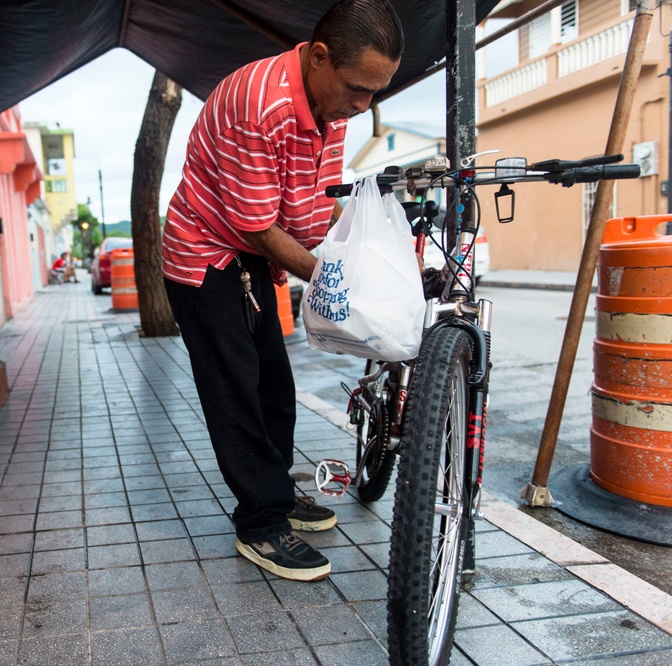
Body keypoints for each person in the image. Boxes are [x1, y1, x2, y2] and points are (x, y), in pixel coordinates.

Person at [161, 0, 403, 581]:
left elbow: (314, 205)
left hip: (253, 255)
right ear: (319, 57)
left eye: (376, 92)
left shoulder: (334, 106)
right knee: (235, 389)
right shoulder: (258, 103)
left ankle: (276, 490)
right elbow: (255, 223)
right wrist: (333, 278)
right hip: (207, 256)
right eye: (357, 88)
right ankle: (261, 523)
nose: (363, 105)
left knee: (274, 382)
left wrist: (364, 256)